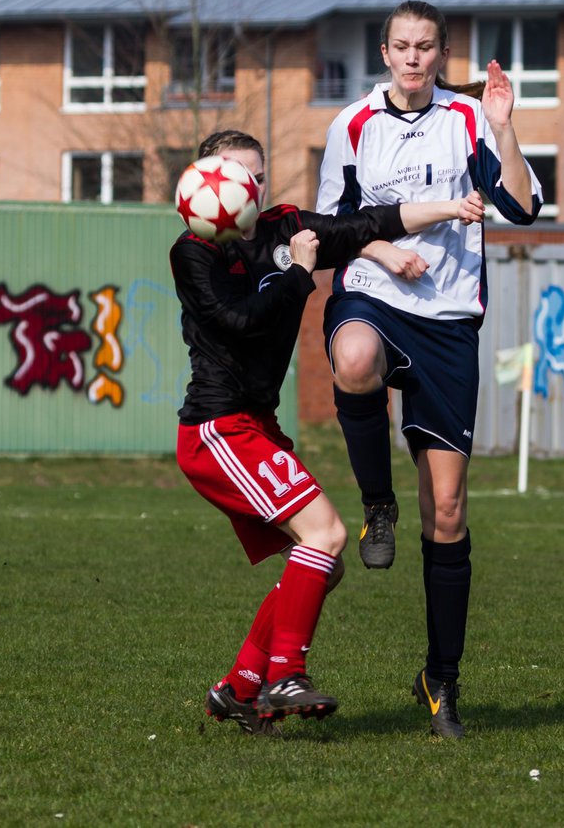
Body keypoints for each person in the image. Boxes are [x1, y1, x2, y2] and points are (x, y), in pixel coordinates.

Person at [171, 129, 484, 734]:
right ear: (201, 182)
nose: (246, 186)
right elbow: (240, 322)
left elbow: (372, 221)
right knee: (328, 533)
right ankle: (285, 673)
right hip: (216, 428)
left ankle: (238, 688)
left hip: (254, 425)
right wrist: (300, 271)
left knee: (323, 563)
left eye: (256, 175)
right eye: (232, 173)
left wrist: (451, 207)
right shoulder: (194, 252)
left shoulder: (286, 225)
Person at [317, 1, 542, 738]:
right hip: (374, 294)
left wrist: (505, 126)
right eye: (401, 47)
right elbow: (331, 229)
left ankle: (440, 678)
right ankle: (376, 505)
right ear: (384, 52)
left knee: (447, 511)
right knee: (352, 359)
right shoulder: (351, 126)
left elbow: (521, 205)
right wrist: (384, 253)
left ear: (442, 55)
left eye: (426, 48)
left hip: (448, 322)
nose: (413, 59)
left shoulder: (470, 121)